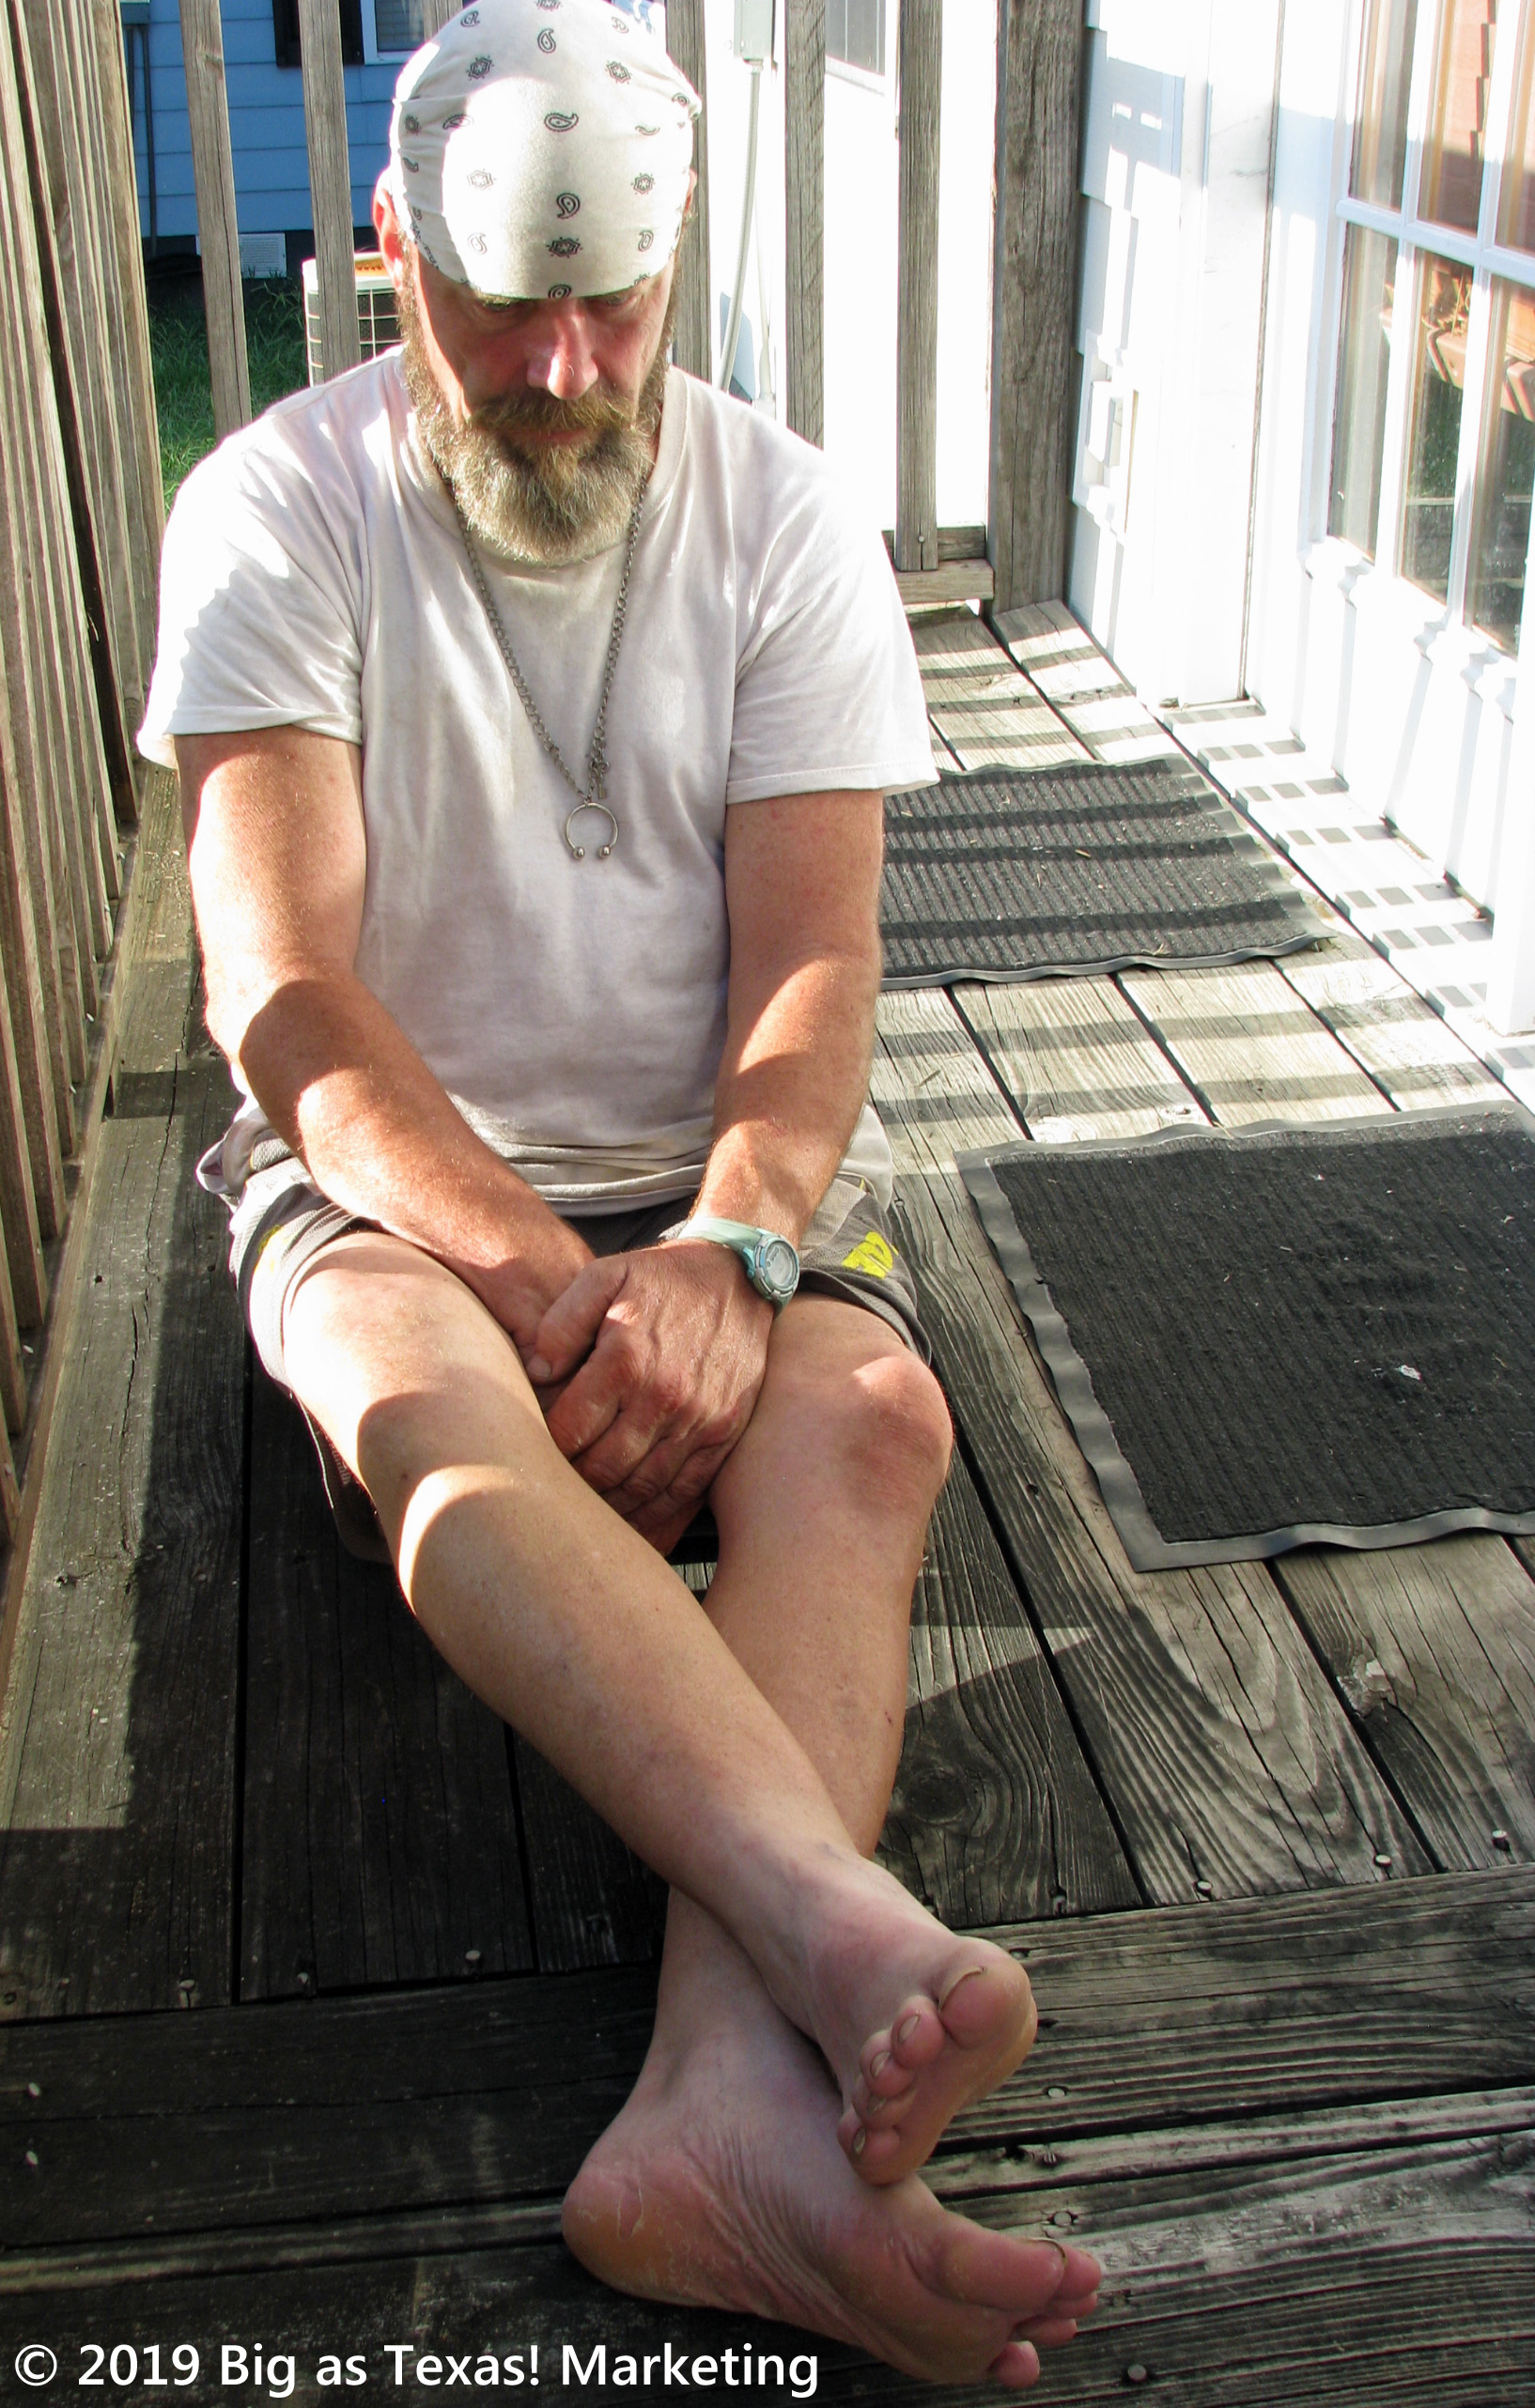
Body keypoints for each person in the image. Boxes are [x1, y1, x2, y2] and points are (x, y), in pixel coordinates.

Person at [140, 0, 1100, 2382]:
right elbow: (284, 999)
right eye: (501, 307)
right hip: (388, 1185)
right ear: (393, 246)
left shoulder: (784, 515)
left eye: (616, 307)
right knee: (430, 1415)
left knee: (869, 1418)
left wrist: (729, 1249)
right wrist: (558, 1285)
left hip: (706, 1185)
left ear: (679, 264)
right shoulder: (271, 504)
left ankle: (709, 2107)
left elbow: (815, 973)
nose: (564, 372)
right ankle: (827, 1923)